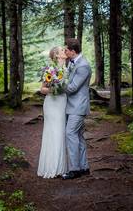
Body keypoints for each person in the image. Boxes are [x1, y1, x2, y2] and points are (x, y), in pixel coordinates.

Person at [61, 37, 90, 179]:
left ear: (73, 51)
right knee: (78, 136)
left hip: (78, 107)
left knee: (70, 134)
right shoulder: (73, 63)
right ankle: (84, 167)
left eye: (66, 49)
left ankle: (74, 169)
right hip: (73, 106)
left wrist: (58, 82)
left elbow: (72, 88)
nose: (65, 51)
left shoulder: (83, 65)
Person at [36, 45, 68, 178]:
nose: (64, 50)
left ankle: (60, 167)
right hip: (52, 103)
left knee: (61, 132)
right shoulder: (50, 69)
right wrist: (53, 89)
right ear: (56, 55)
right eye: (62, 50)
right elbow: (42, 89)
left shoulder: (68, 68)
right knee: (52, 132)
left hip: (62, 103)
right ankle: (51, 167)